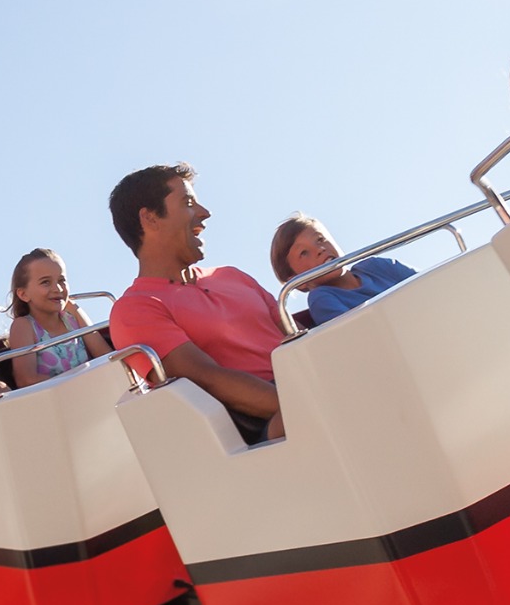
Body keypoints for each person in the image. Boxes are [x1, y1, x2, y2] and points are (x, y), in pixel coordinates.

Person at [105, 164, 284, 444]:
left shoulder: (233, 276)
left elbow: (299, 337)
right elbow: (206, 379)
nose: (204, 213)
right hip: (268, 427)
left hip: (309, 385)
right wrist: (308, 400)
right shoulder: (134, 309)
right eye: (188, 203)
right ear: (150, 218)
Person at [270, 215, 414, 327]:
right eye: (304, 253)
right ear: (297, 281)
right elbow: (355, 334)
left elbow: (428, 285)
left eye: (320, 239)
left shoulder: (376, 266)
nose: (320, 249)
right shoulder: (322, 297)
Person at [1, 248, 102, 386]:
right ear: (23, 294)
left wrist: (75, 309)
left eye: (61, 280)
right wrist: (77, 383)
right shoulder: (24, 325)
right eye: (46, 282)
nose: (58, 289)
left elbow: (104, 354)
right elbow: (26, 380)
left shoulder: (72, 316)